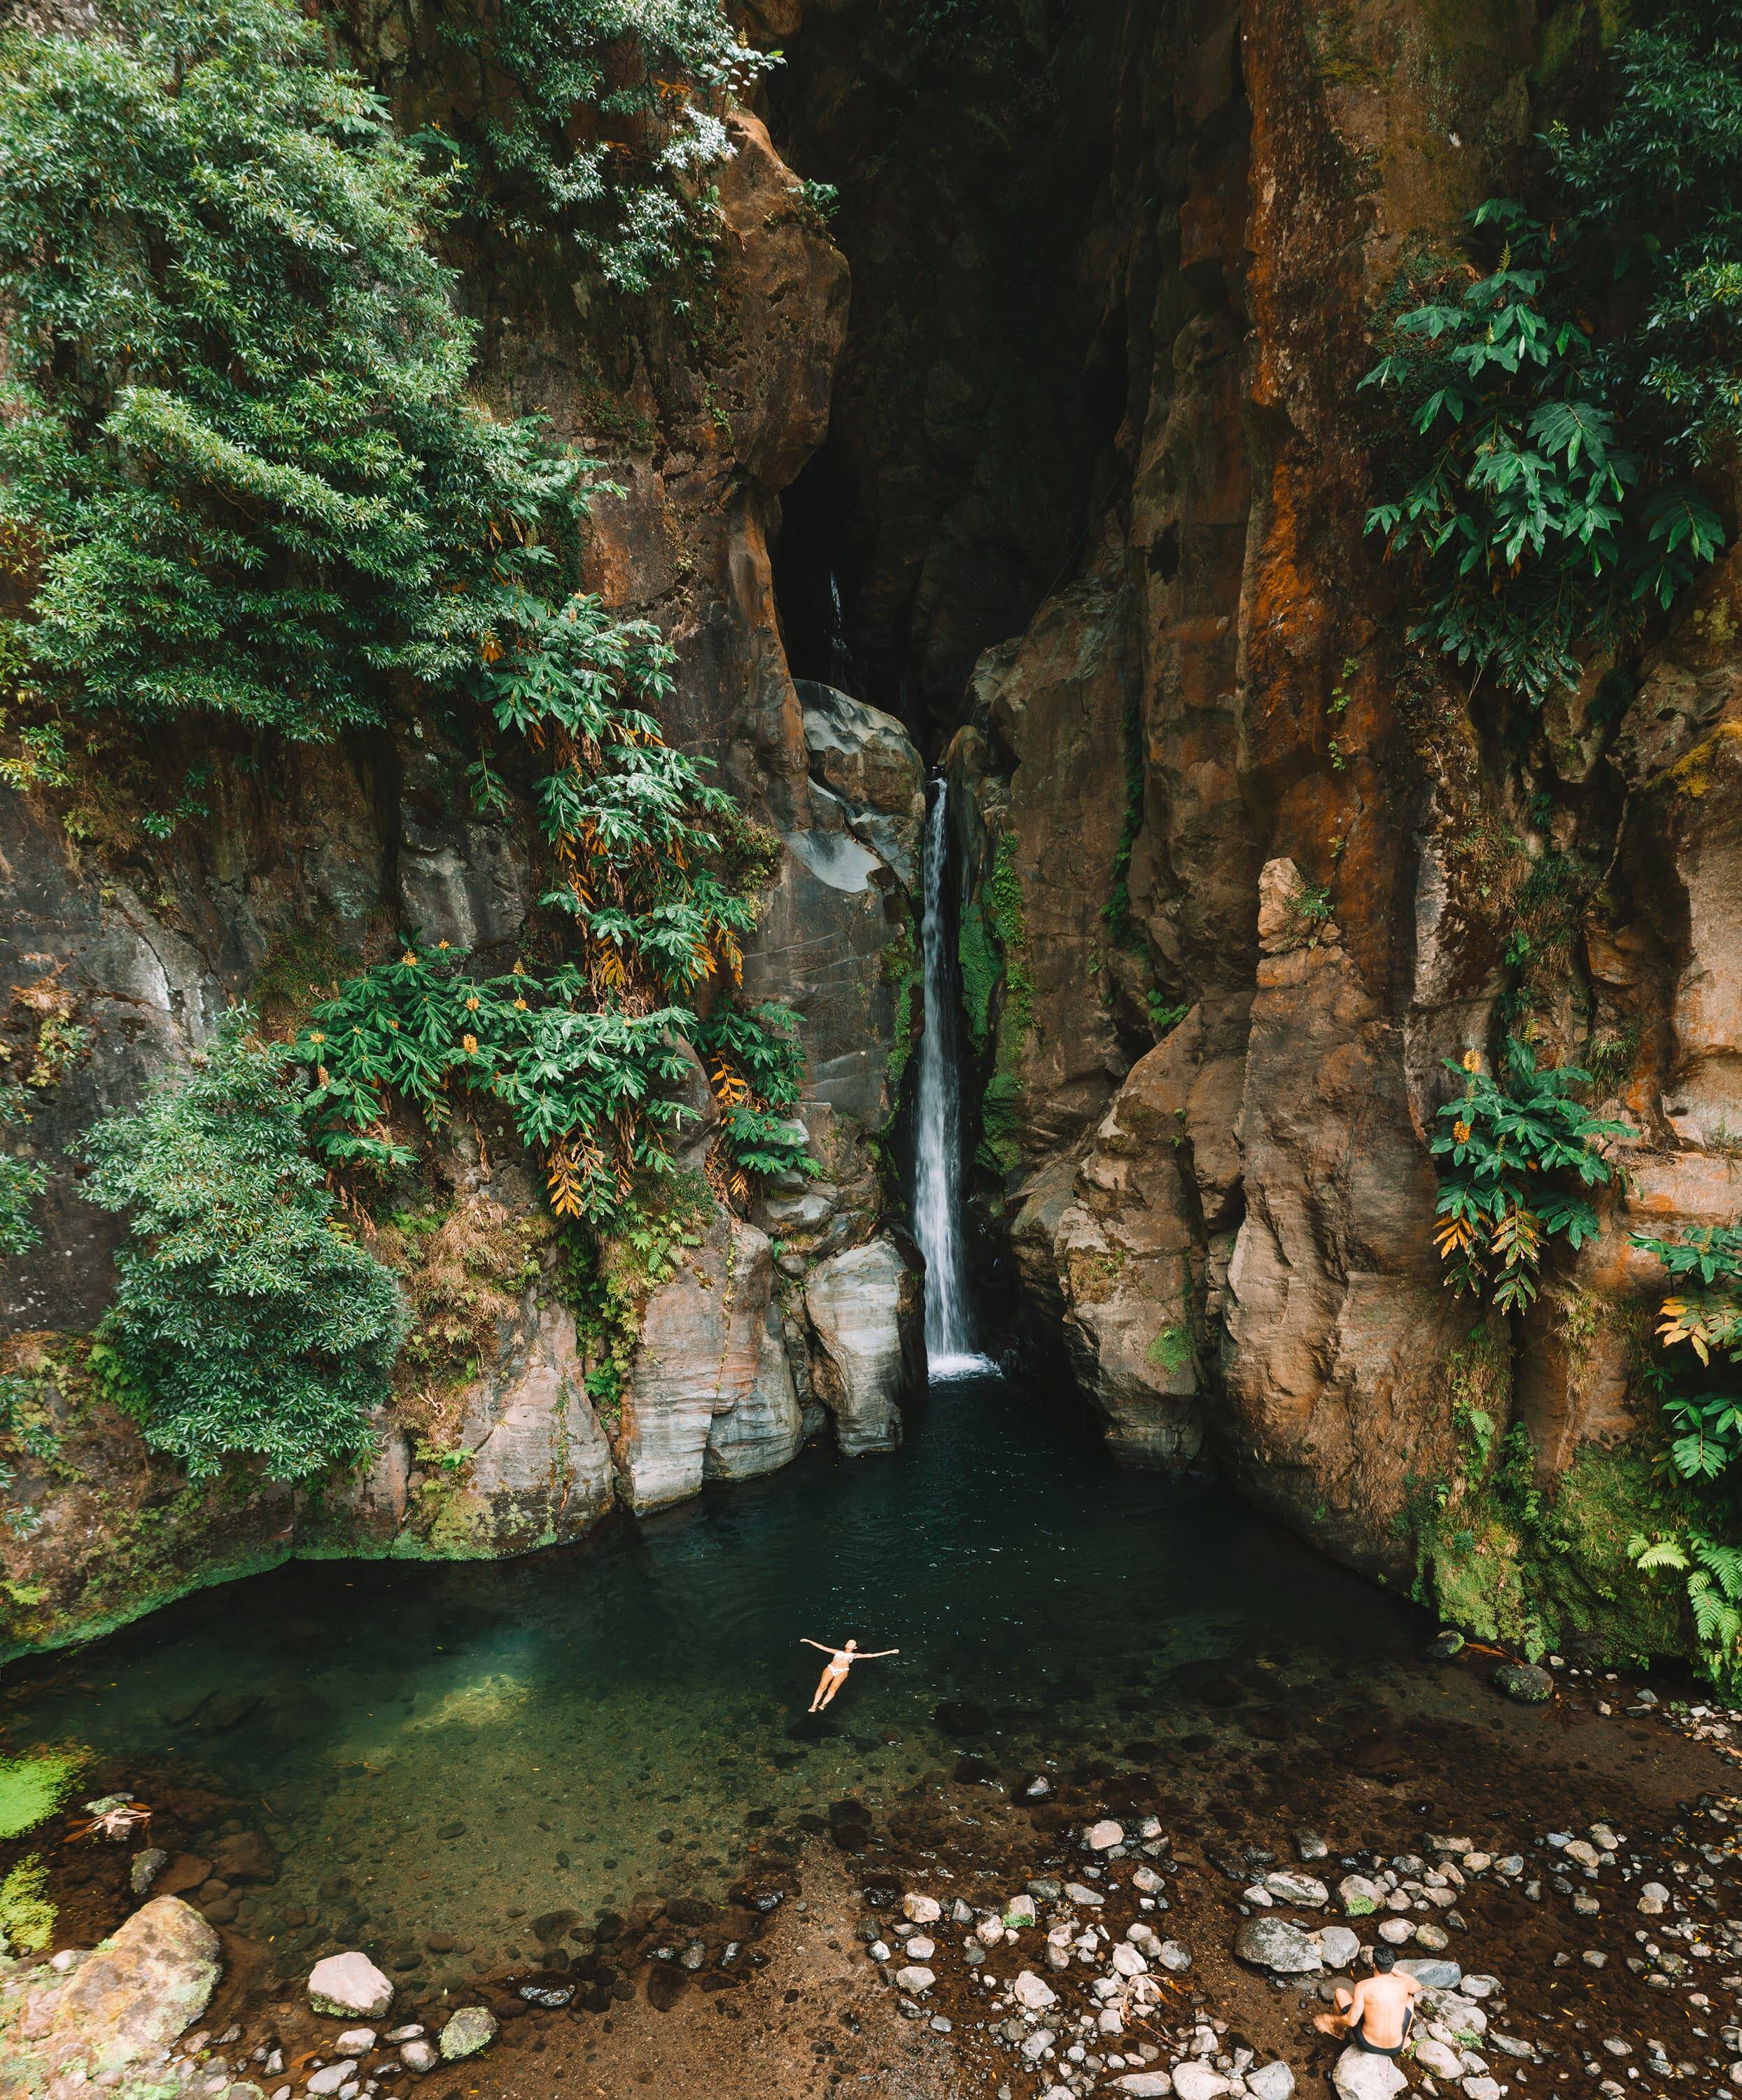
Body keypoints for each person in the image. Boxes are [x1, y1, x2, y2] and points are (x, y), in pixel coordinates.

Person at [1312, 1944, 1422, 2054]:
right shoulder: (1403, 1983)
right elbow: (1417, 1986)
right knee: (1409, 1998)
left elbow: (1352, 2020)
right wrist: (1390, 1968)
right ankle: (1403, 2041)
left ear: (1374, 1965)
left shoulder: (1363, 1986)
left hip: (1368, 2044)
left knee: (1340, 1993)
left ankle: (1338, 2032)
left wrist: (1329, 2020)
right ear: (1391, 1966)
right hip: (1395, 2047)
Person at [800, 1637, 899, 1712]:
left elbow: (872, 1655)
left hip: (843, 1670)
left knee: (833, 1688)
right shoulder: (837, 1652)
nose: (851, 1643)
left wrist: (890, 1651)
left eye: (853, 1643)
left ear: (855, 1647)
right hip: (831, 1668)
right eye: (849, 1642)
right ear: (846, 1645)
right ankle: (814, 1705)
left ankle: (823, 1704)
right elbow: (822, 1647)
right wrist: (809, 1641)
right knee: (822, 1686)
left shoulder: (855, 1655)